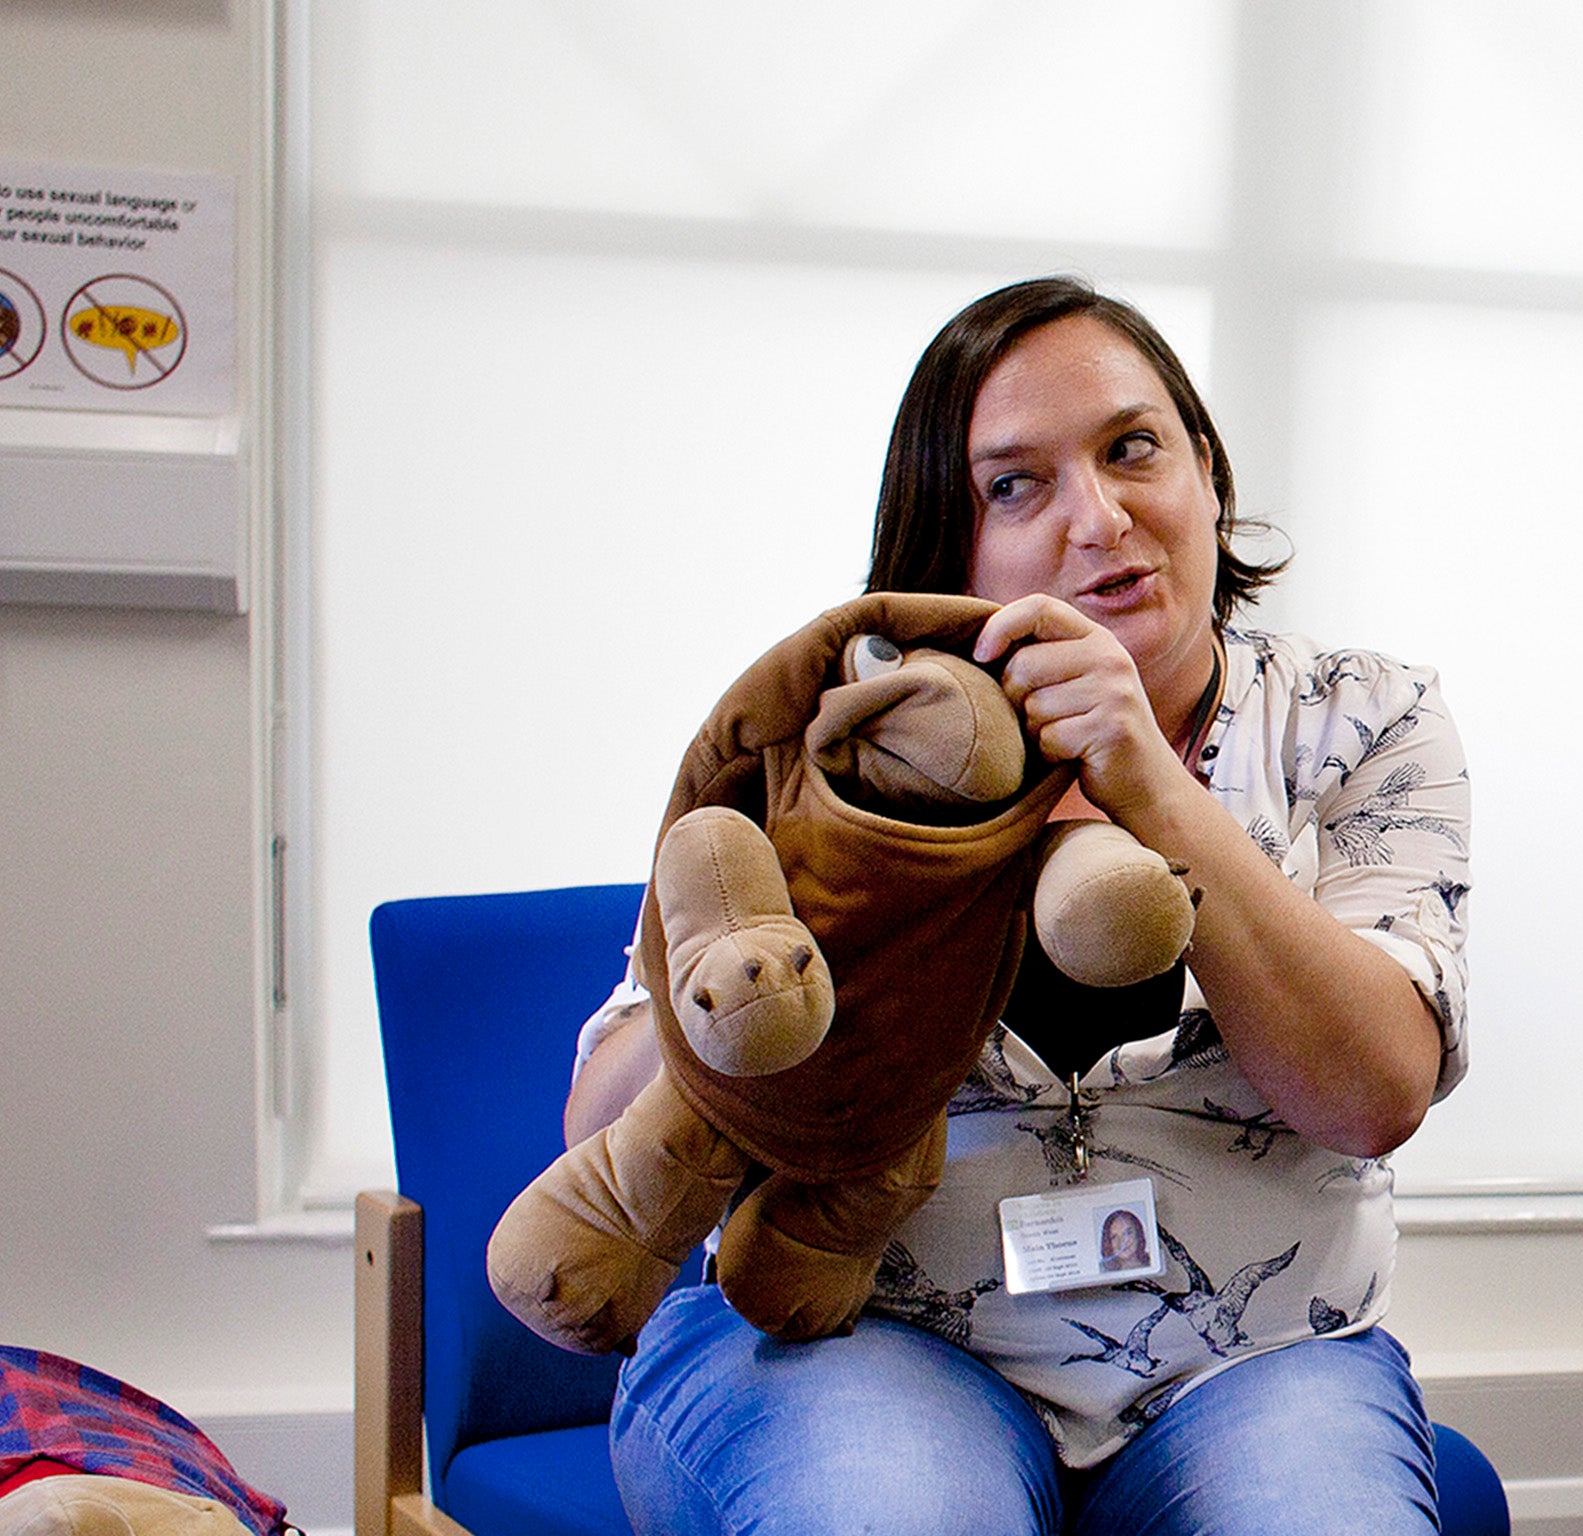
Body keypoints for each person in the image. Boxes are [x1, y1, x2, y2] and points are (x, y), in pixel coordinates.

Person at [567, 277, 1472, 1535]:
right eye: (1013, 485)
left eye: (1132, 448)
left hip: (1257, 1353)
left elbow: (1375, 1093)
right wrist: (798, 969)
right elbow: (601, 1113)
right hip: (856, 1332)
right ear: (950, 543)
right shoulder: (843, 741)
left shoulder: (1362, 719)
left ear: (1206, 470)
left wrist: (1149, 787)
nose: (1098, 519)